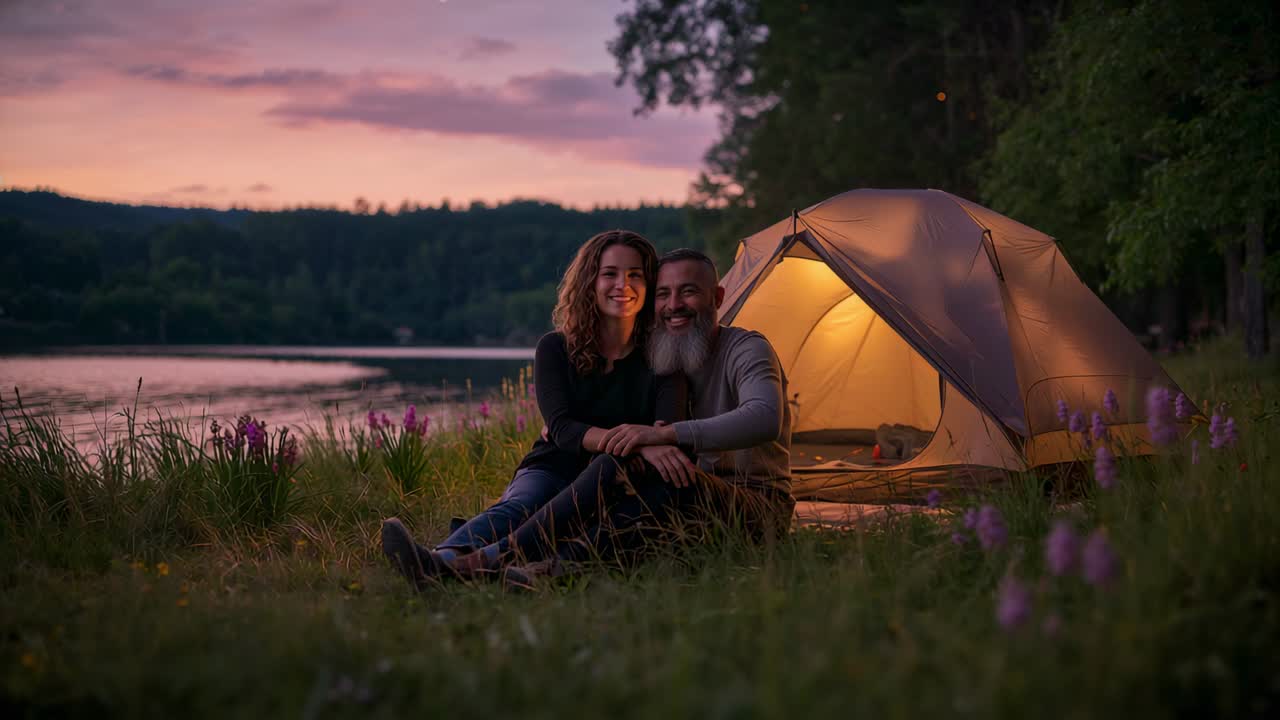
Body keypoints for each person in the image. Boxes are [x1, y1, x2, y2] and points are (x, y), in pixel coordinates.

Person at [387, 248, 793, 588]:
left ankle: (483, 561)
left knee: (627, 470)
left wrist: (663, 436)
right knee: (625, 507)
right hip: (685, 496)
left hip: (755, 506)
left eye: (688, 292)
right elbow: (618, 421)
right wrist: (637, 438)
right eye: (664, 294)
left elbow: (763, 418)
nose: (674, 305)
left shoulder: (746, 349)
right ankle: (543, 571)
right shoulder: (667, 356)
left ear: (718, 297)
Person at [381, 230, 689, 586]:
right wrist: (638, 439)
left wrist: (643, 441)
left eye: (636, 274)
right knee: (524, 503)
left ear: (650, 284)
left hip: (620, 477)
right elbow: (561, 427)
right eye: (610, 273)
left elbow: (669, 427)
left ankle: (495, 567)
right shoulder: (555, 348)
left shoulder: (666, 355)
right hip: (554, 462)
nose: (624, 284)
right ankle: (439, 560)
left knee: (583, 525)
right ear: (590, 281)